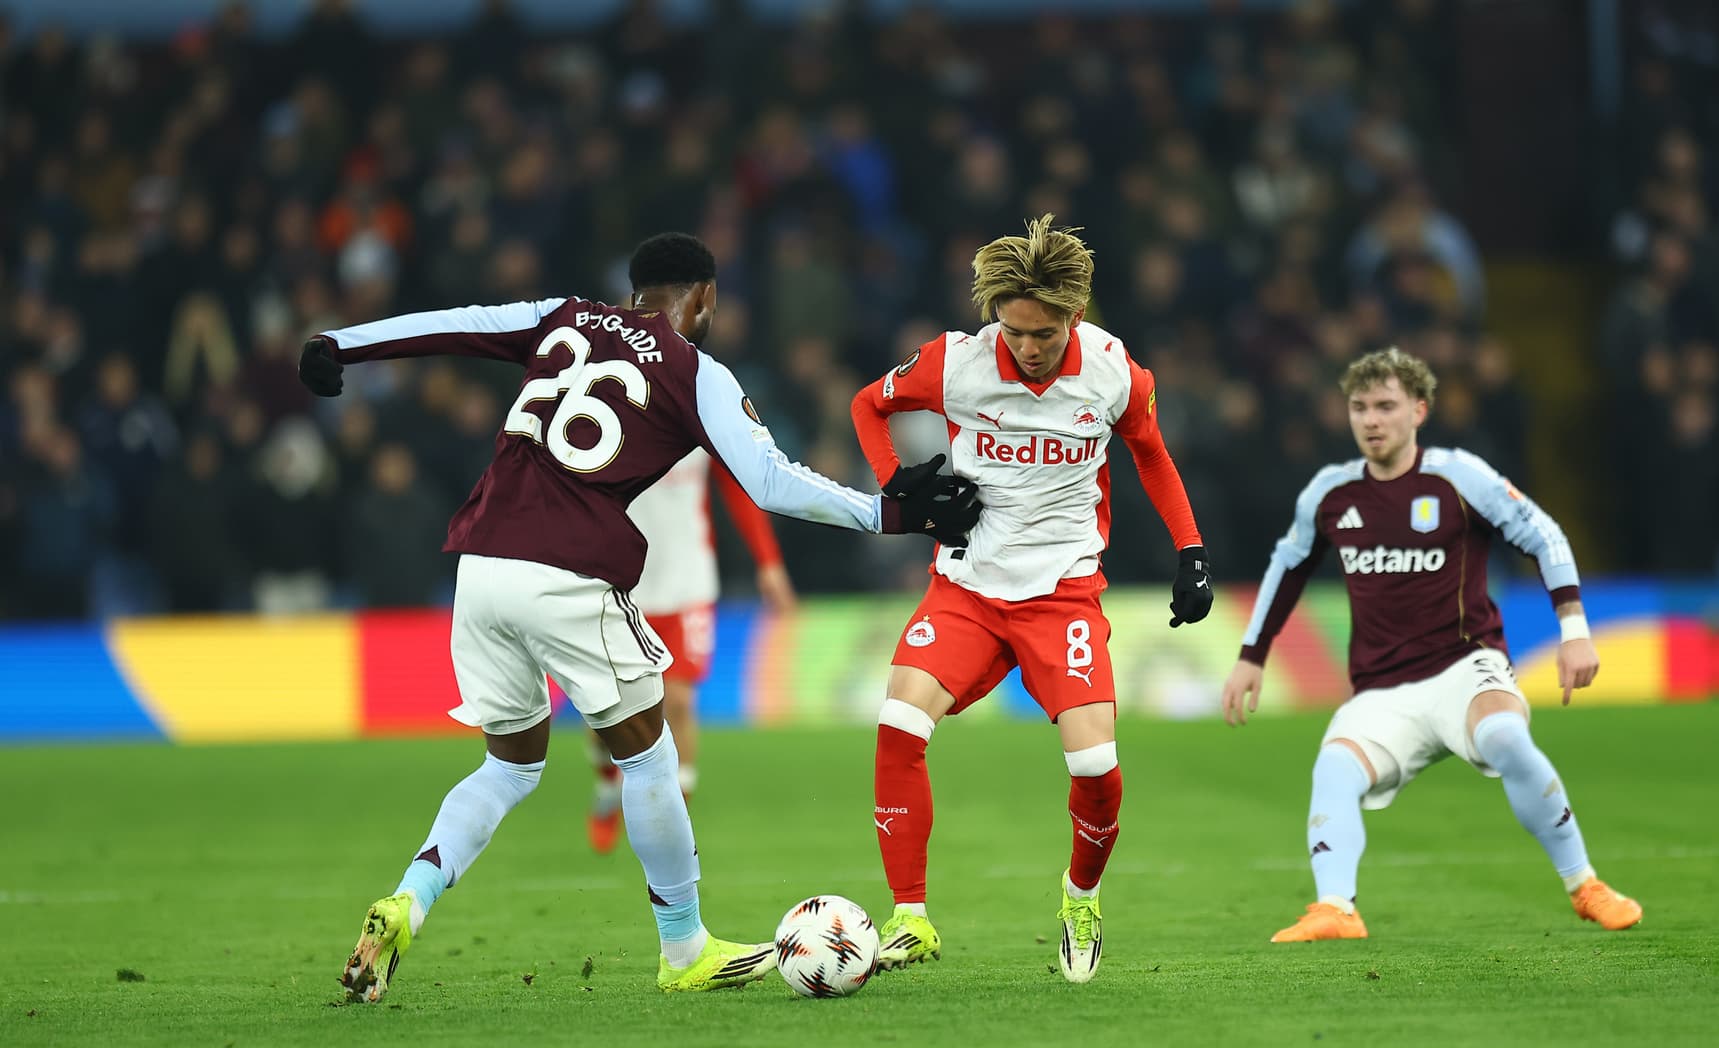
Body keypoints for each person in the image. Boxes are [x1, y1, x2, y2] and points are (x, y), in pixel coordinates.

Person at [297, 232, 979, 1001]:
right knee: (650, 760)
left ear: (634, 290)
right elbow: (768, 480)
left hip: (481, 566)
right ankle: (684, 947)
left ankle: (408, 899)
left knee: (510, 764)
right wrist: (888, 513)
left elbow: (455, 323)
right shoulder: (697, 370)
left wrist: (338, 345)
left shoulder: (560, 315)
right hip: (567, 573)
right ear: (706, 300)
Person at [849, 215, 1212, 984]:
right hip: (967, 588)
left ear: (1074, 318)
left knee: (1098, 767)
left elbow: (1152, 454)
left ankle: (1081, 897)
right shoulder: (957, 362)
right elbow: (865, 405)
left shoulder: (1115, 372)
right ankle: (909, 917)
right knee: (897, 724)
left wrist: (1191, 551)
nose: (1026, 346)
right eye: (1012, 330)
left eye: (1042, 332)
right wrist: (895, 486)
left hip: (1063, 594)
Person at [1221, 347, 1642, 941]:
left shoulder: (1458, 477)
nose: (1371, 420)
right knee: (1334, 769)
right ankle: (1336, 908)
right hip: (1382, 690)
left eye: (1386, 406)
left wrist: (1574, 631)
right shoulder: (1330, 494)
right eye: (1359, 407)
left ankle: (1585, 885)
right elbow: (1286, 567)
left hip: (1465, 669)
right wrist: (1250, 657)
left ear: (1418, 410)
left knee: (1505, 737)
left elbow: (1544, 536)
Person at [585, 450, 795, 851]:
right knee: (603, 712)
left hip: (688, 583)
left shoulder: (702, 415)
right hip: (621, 583)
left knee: (678, 701)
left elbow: (738, 487)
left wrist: (768, 562)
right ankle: (607, 787)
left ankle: (673, 826)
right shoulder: (617, 408)